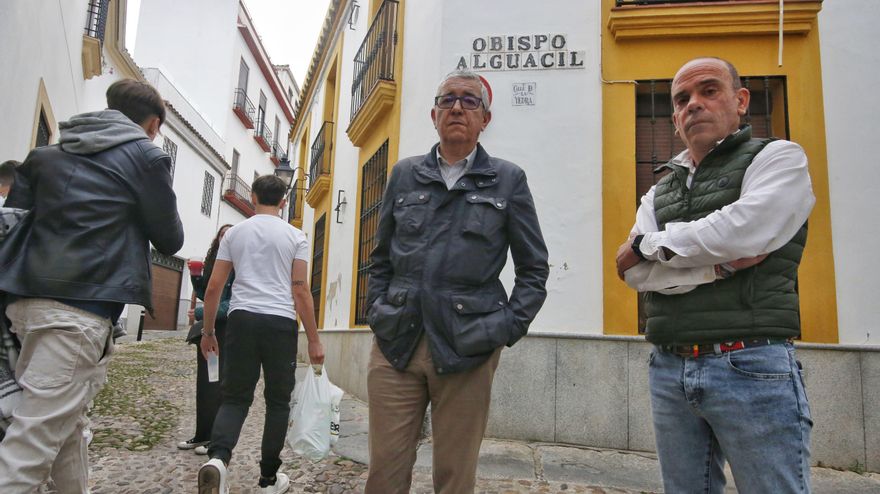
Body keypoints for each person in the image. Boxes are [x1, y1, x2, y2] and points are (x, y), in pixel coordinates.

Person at [615, 57, 815, 493]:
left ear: (741, 100)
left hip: (751, 362)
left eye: (709, 91)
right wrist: (716, 267)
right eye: (682, 99)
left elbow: (742, 231)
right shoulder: (659, 188)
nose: (694, 105)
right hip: (669, 365)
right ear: (673, 118)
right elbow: (633, 277)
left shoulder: (777, 158)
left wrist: (647, 246)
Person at [365, 70, 549, 493]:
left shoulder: (508, 179)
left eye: (470, 101)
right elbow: (380, 259)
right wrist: (378, 310)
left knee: (454, 474)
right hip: (397, 341)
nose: (458, 108)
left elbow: (533, 268)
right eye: (448, 99)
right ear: (433, 114)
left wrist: (505, 327)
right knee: (384, 472)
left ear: (485, 119)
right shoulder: (404, 174)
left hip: (468, 345)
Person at [0, 78, 183, 492]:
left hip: (25, 303)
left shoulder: (44, 156)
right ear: (153, 123)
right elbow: (170, 238)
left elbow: (12, 223)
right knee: (27, 452)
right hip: (80, 309)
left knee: (67, 429)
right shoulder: (146, 157)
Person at [197, 175, 325, 494]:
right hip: (280, 323)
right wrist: (313, 338)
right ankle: (268, 479)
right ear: (283, 202)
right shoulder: (296, 236)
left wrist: (208, 331)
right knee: (278, 402)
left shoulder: (235, 233)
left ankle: (218, 460)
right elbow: (300, 290)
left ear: (253, 197)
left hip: (241, 320)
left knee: (236, 397)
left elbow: (213, 287)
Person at [177, 224, 234, 454]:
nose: (225, 238)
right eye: (222, 234)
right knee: (205, 383)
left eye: (230, 235)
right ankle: (202, 435)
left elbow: (233, 304)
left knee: (220, 385)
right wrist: (195, 276)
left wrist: (200, 312)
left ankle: (215, 438)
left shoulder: (239, 266)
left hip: (226, 333)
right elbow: (204, 293)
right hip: (209, 331)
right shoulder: (215, 264)